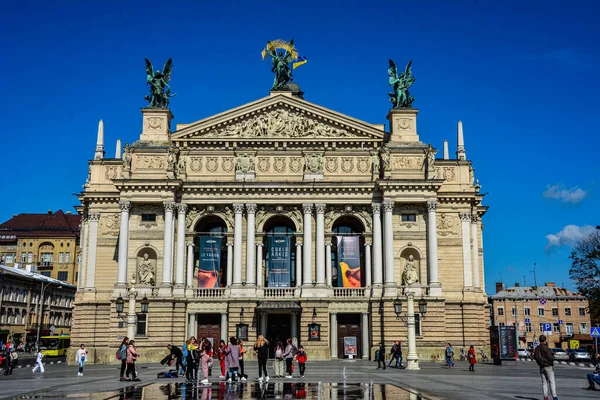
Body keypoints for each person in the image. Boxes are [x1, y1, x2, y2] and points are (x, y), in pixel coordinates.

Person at [533, 335, 558, 400]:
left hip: (541, 367)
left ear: (539, 340)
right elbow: (551, 358)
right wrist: (552, 357)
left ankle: (545, 397)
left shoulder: (537, 348)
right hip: (548, 366)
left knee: (544, 383)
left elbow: (535, 357)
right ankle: (554, 397)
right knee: (552, 382)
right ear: (545, 340)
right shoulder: (546, 348)